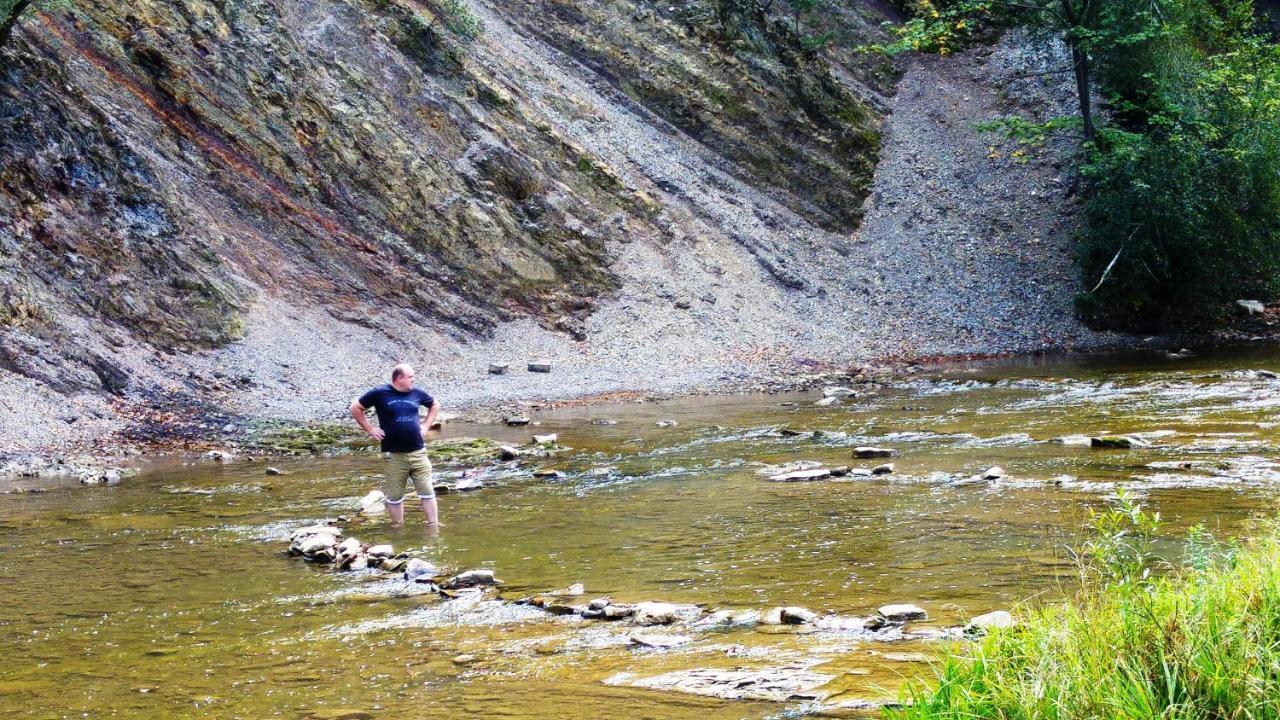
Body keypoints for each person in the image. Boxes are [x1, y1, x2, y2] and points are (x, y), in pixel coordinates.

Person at [350, 363, 441, 526]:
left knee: (427, 492)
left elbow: (435, 405)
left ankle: (433, 527)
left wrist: (426, 425)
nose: (413, 380)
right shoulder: (380, 393)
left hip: (419, 452)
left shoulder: (417, 393)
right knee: (395, 496)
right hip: (394, 455)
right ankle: (397, 529)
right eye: (410, 377)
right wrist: (370, 429)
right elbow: (356, 407)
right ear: (399, 378)